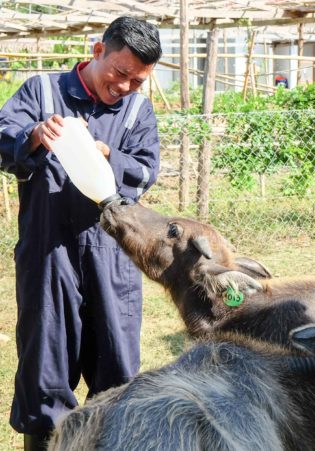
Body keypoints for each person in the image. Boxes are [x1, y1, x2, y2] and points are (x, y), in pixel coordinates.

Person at [0, 17, 161, 450]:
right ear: (97, 51)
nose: (126, 86)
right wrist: (34, 136)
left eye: (137, 80)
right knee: (45, 370)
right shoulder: (42, 92)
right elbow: (3, 141)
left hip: (113, 255)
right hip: (48, 254)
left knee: (118, 369)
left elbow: (146, 172)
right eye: (120, 73)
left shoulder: (135, 111)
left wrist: (111, 157)